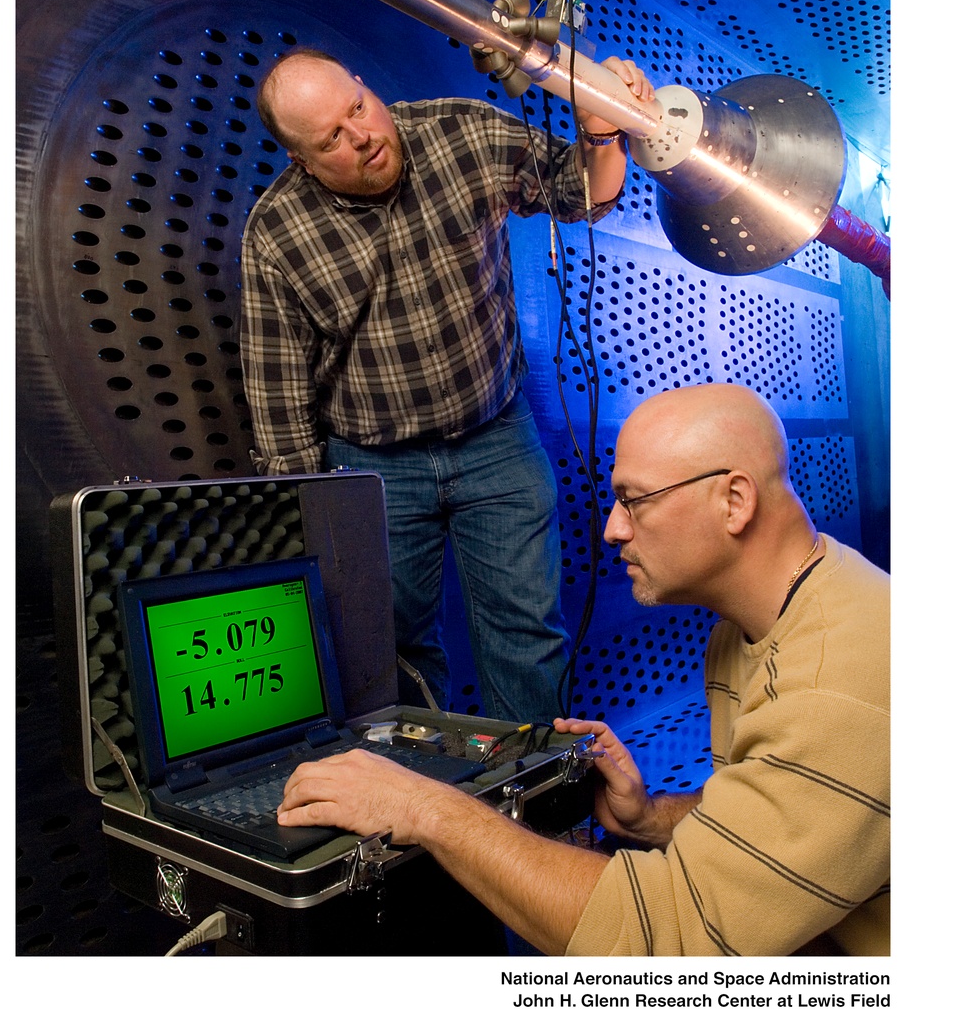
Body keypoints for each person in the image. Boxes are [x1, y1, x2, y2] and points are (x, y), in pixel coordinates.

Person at [275, 383, 890, 956]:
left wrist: (424, 808)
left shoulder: (833, 684)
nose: (611, 530)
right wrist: (651, 817)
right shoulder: (757, 624)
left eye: (632, 500)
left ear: (734, 501)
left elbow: (673, 949)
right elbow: (774, 823)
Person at [241, 47, 655, 722]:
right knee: (388, 651)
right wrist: (317, 523)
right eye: (332, 139)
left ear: (363, 80)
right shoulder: (276, 232)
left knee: (525, 633)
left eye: (358, 108)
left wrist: (603, 126)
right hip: (374, 464)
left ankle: (536, 802)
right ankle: (432, 808)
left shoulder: (458, 131)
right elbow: (277, 398)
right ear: (302, 162)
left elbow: (581, 191)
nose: (364, 136)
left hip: (495, 434)